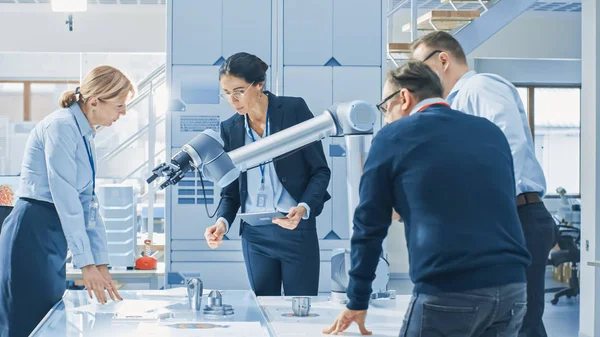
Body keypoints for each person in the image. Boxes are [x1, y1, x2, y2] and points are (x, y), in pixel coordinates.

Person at [324, 61, 531, 336]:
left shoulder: (393, 136)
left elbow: (369, 226)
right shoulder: (489, 131)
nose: (385, 118)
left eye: (385, 108)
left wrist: (358, 300)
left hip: (450, 290)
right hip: (513, 289)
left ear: (404, 98)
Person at [411, 31, 556, 337]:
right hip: (498, 219)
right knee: (496, 317)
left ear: (442, 59)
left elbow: (509, 147)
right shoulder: (452, 104)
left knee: (521, 321)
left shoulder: (481, 86)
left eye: (420, 69)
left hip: (516, 215)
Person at [0, 65, 134, 337]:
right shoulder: (61, 127)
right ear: (95, 101)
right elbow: (66, 198)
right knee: (27, 324)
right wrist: (86, 264)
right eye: (119, 105)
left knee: (49, 318)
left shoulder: (85, 134)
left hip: (52, 233)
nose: (124, 113)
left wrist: (101, 264)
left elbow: (87, 203)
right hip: (32, 229)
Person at [203, 52, 331, 296]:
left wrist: (304, 207)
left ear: (259, 84)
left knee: (300, 311)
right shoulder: (230, 128)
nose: (233, 99)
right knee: (264, 309)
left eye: (239, 91)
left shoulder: (294, 110)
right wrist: (221, 223)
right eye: (227, 93)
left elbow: (320, 171)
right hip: (254, 236)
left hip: (295, 229)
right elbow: (231, 190)